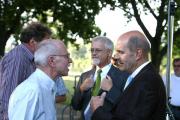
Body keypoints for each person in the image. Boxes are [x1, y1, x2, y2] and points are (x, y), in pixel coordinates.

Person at [90, 30, 166, 120]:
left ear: (138, 54)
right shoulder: (141, 77)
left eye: (121, 52)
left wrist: (97, 110)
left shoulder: (147, 81)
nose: (116, 57)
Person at [0, 22, 67, 120]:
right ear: (32, 42)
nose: (49, 45)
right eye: (46, 42)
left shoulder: (31, 58)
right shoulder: (17, 58)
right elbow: (7, 98)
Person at [8, 39, 72, 120]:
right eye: (67, 56)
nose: (70, 61)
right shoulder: (31, 91)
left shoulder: (46, 88)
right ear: (52, 61)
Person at [71, 36, 128, 120]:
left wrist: (111, 90)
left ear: (109, 53)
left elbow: (126, 108)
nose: (93, 53)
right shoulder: (85, 75)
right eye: (92, 50)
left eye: (97, 50)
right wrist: (81, 89)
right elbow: (75, 106)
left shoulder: (123, 76)